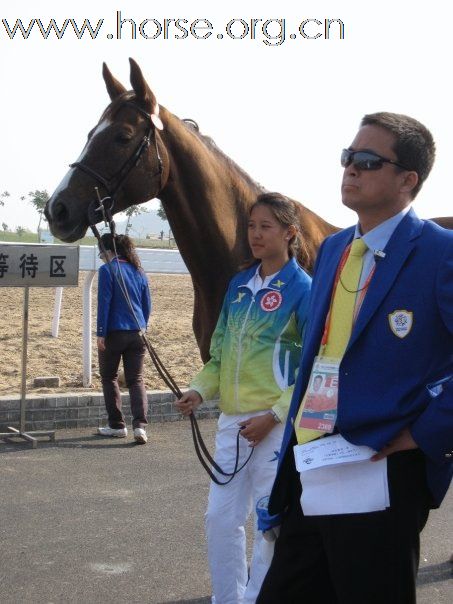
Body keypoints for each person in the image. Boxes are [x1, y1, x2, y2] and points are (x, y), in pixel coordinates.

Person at [257, 113, 453, 604]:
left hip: (383, 467)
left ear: (408, 179)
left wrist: (421, 434)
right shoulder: (334, 248)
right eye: (348, 157)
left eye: (368, 161)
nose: (351, 169)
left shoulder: (440, 254)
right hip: (315, 458)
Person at [176, 192, 312, 604]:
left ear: (289, 233)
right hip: (232, 426)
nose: (255, 234)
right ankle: (228, 598)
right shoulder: (238, 286)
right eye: (251, 225)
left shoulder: (304, 290)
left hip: (274, 428)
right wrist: (199, 389)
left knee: (269, 522)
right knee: (220, 519)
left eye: (265, 226)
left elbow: (312, 367)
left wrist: (274, 416)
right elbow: (219, 355)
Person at [96, 233, 151, 445]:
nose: (101, 257)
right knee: (136, 379)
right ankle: (140, 427)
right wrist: (142, 326)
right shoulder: (138, 270)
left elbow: (105, 302)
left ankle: (117, 425)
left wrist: (100, 332)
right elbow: (147, 305)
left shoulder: (107, 269)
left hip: (113, 332)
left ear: (109, 252)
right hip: (138, 333)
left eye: (102, 253)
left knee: (109, 377)